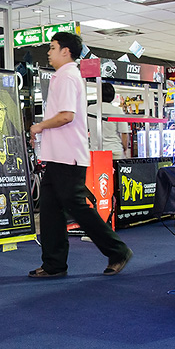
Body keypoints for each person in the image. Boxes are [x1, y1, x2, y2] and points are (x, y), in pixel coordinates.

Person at [28, 32, 133, 278]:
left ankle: (118, 250)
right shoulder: (63, 76)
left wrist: (39, 126)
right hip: (58, 156)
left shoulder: (67, 76)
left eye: (52, 47)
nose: (48, 52)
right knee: (51, 211)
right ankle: (54, 264)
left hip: (68, 156)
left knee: (77, 208)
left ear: (66, 51)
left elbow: (67, 116)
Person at [93, 83, 130, 158]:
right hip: (114, 150)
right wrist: (125, 149)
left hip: (95, 151)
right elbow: (124, 133)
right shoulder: (117, 111)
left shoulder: (89, 109)